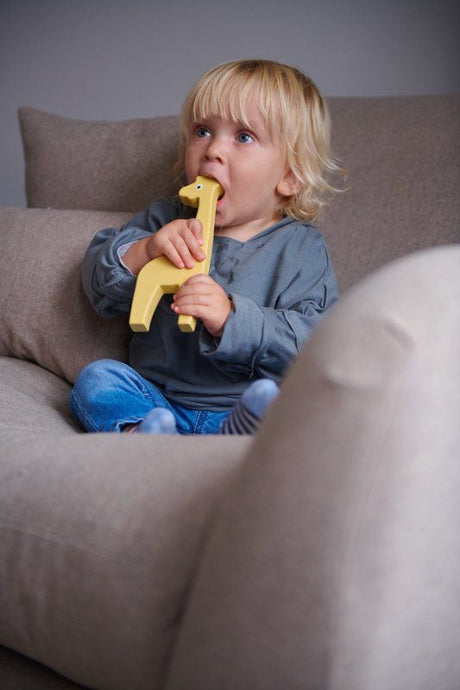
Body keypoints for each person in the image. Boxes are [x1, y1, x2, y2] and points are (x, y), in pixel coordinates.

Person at [70, 59, 341, 436]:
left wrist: (232, 319)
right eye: (203, 131)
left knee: (289, 404)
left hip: (242, 404)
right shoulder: (166, 219)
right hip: (160, 400)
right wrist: (145, 251)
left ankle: (240, 436)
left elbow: (316, 342)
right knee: (97, 379)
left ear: (290, 176)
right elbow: (96, 281)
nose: (213, 150)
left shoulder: (300, 248)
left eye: (243, 137)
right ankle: (143, 435)